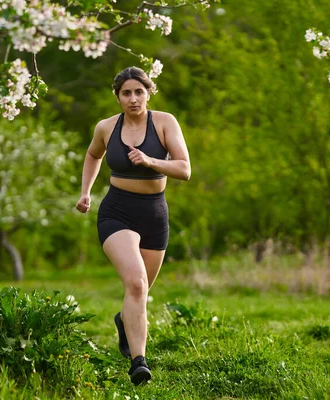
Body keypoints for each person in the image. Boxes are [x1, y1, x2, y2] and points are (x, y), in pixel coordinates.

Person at [75, 66, 191, 385]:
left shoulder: (165, 122)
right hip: (117, 212)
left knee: (140, 291)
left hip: (155, 214)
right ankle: (139, 363)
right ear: (117, 97)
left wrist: (151, 161)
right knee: (137, 285)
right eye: (126, 93)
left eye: (139, 91)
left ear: (148, 93)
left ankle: (124, 320)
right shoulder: (106, 127)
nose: (133, 98)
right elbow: (92, 155)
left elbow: (184, 169)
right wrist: (85, 193)